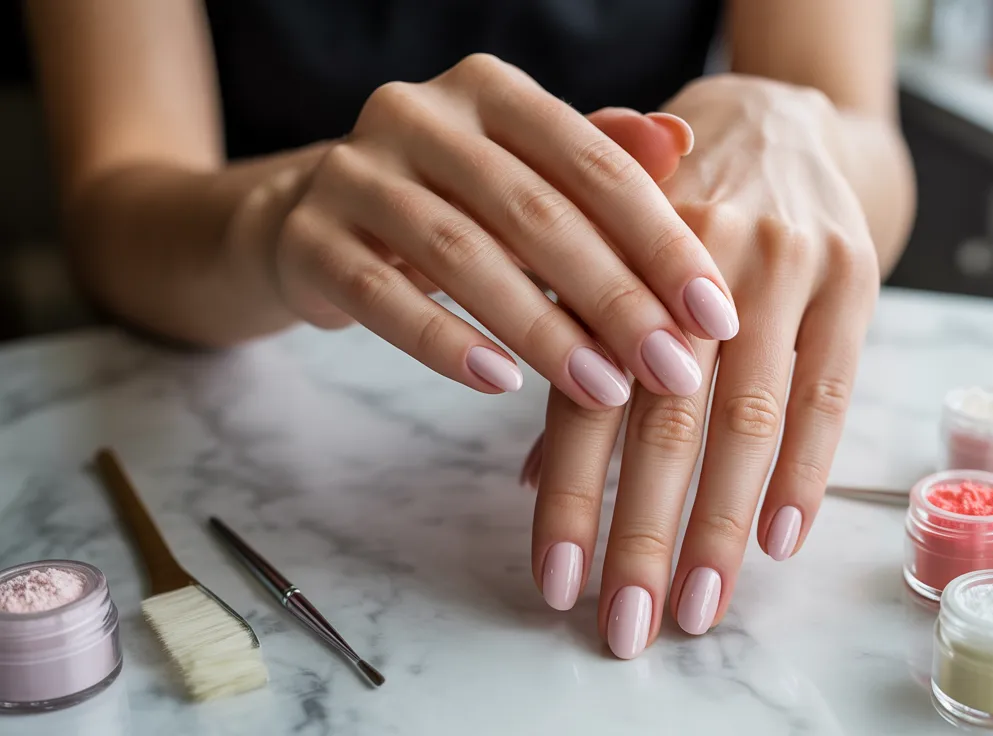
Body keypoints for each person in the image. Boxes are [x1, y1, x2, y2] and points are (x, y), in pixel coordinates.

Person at [26, 0, 914, 659]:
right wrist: (277, 219)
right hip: (259, 358)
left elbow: (870, 149)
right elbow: (112, 213)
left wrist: (794, 123)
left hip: (657, 338)